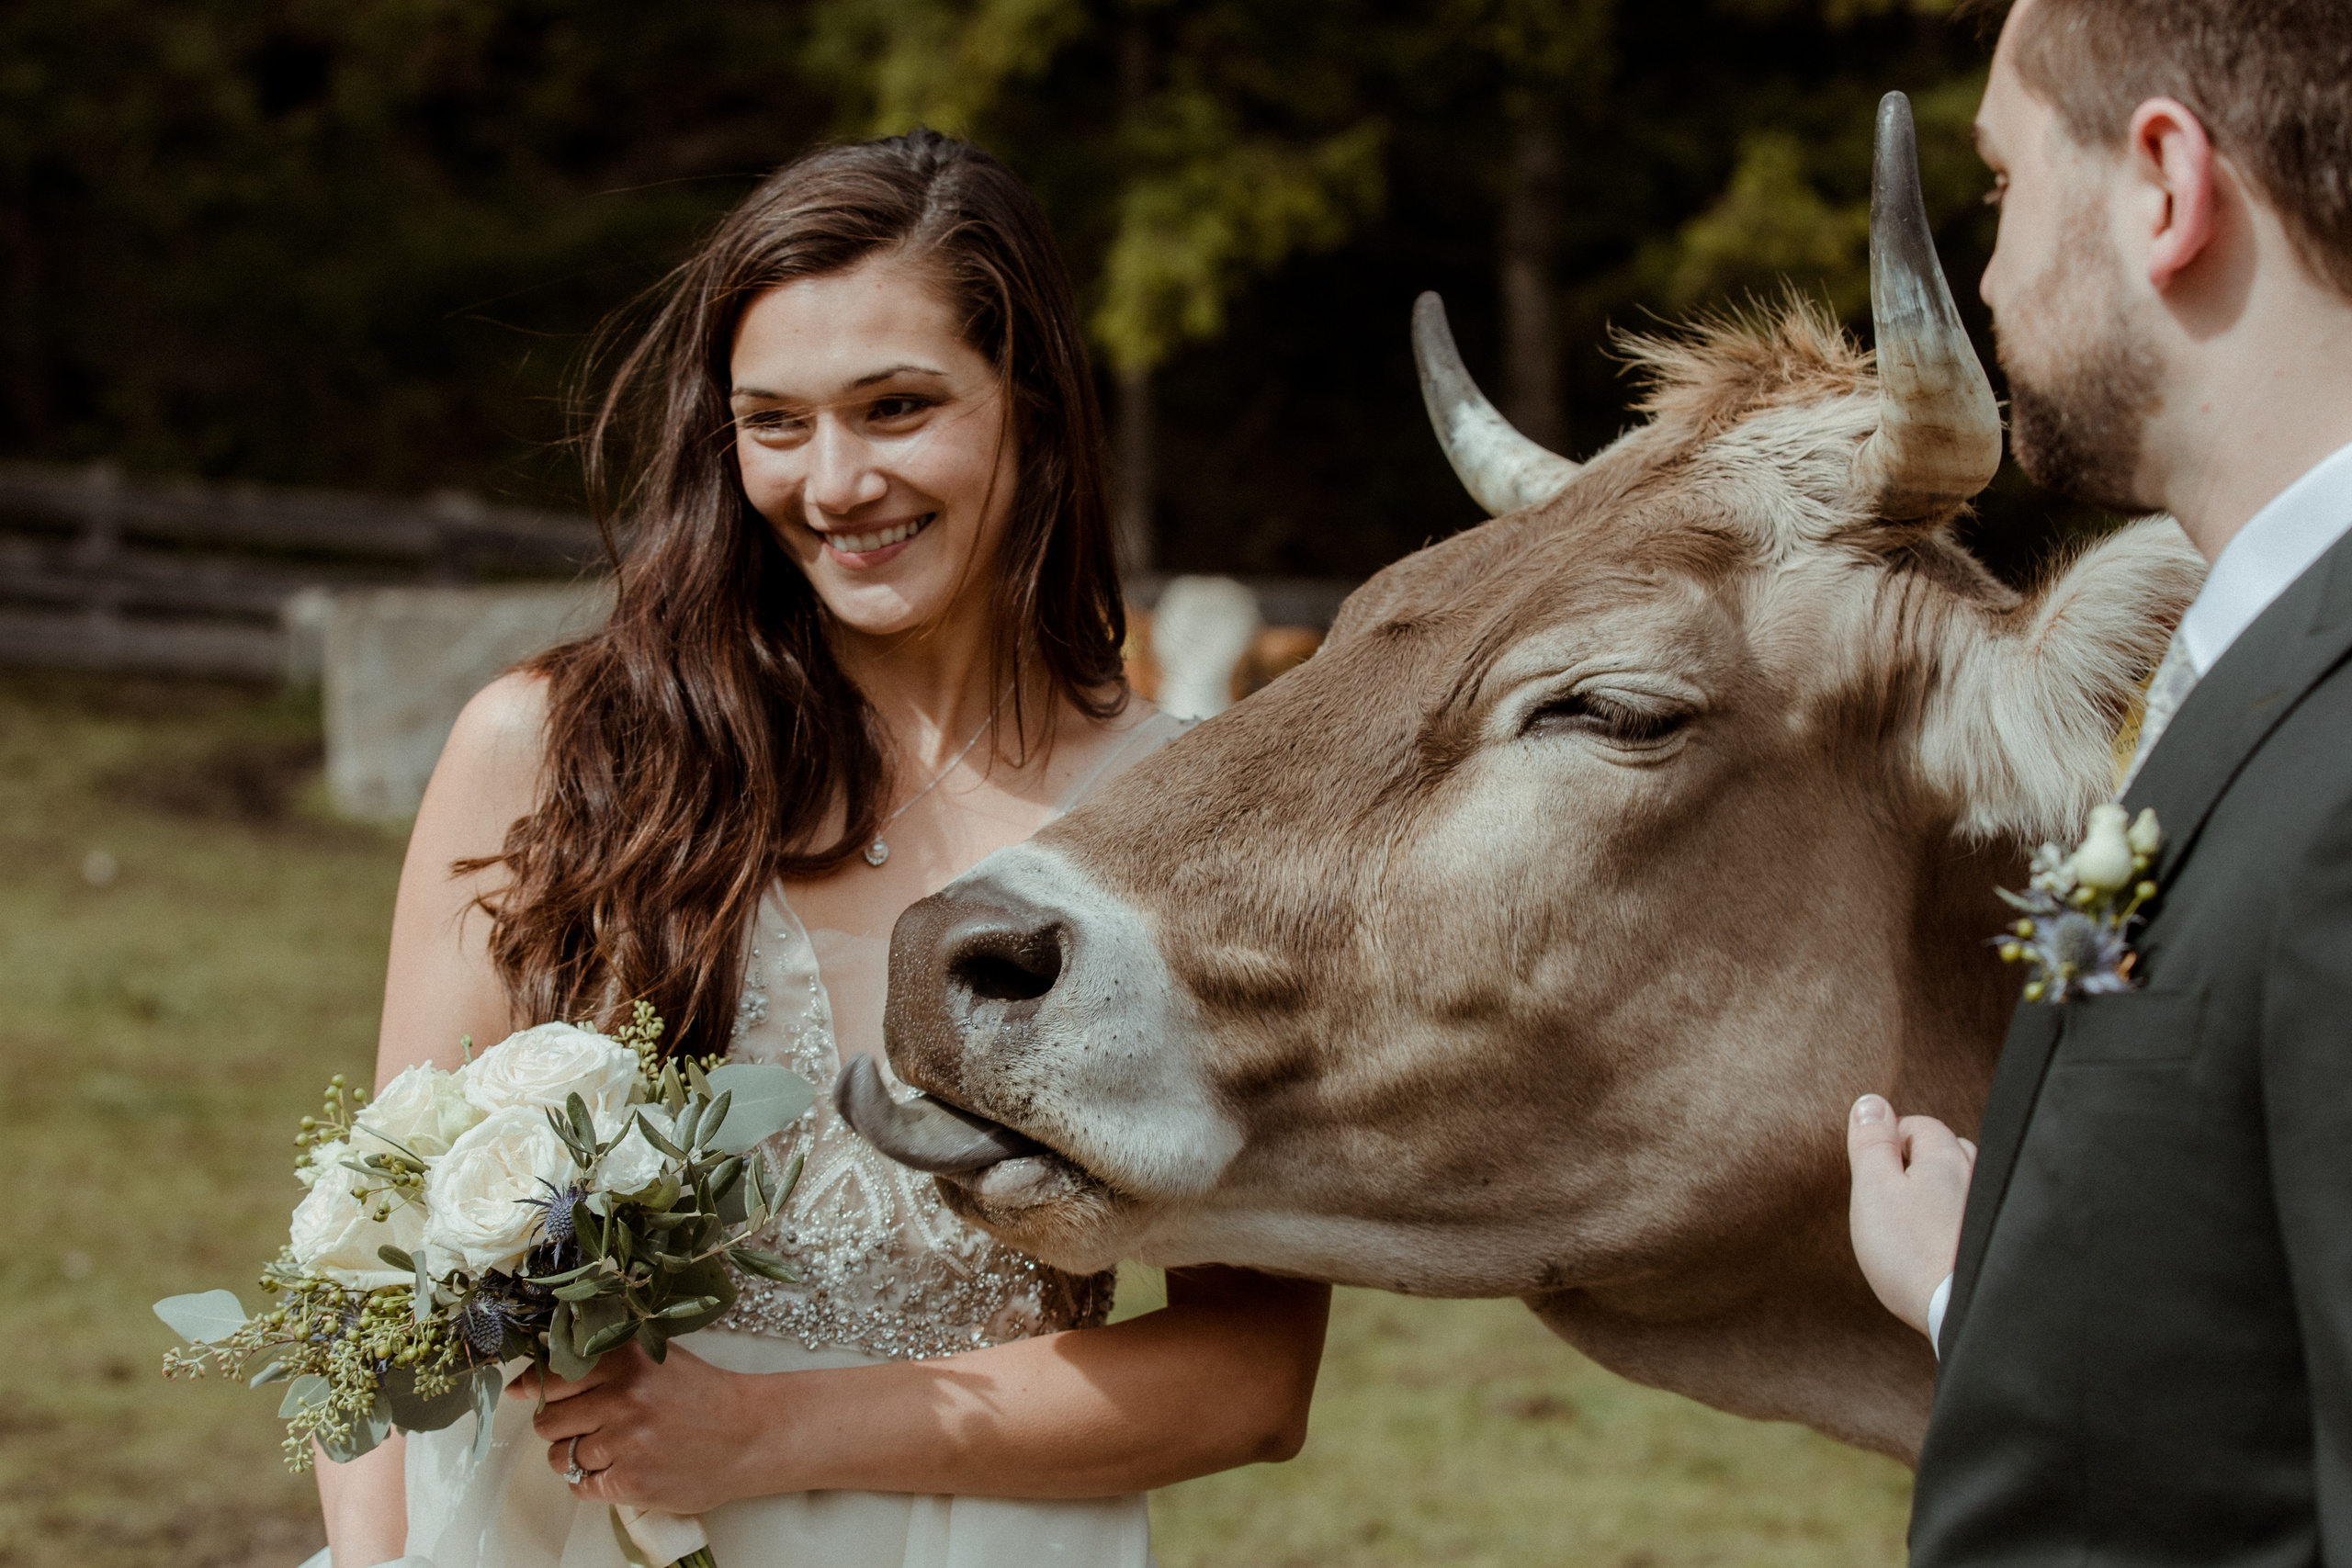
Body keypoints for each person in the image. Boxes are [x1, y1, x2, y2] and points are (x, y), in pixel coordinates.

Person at [311, 129, 1331, 1568]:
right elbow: (378, 1283)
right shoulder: (558, 757)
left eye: (897, 406)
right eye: (774, 422)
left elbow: (1251, 1378)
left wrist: (766, 1432)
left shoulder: (1196, 823)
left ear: (1032, 405)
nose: (835, 482)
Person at [1843, 0, 2352, 1559]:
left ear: (2162, 183)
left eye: (2001, 185)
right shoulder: (2271, 660)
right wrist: (1983, 1288)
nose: (1986, 271)